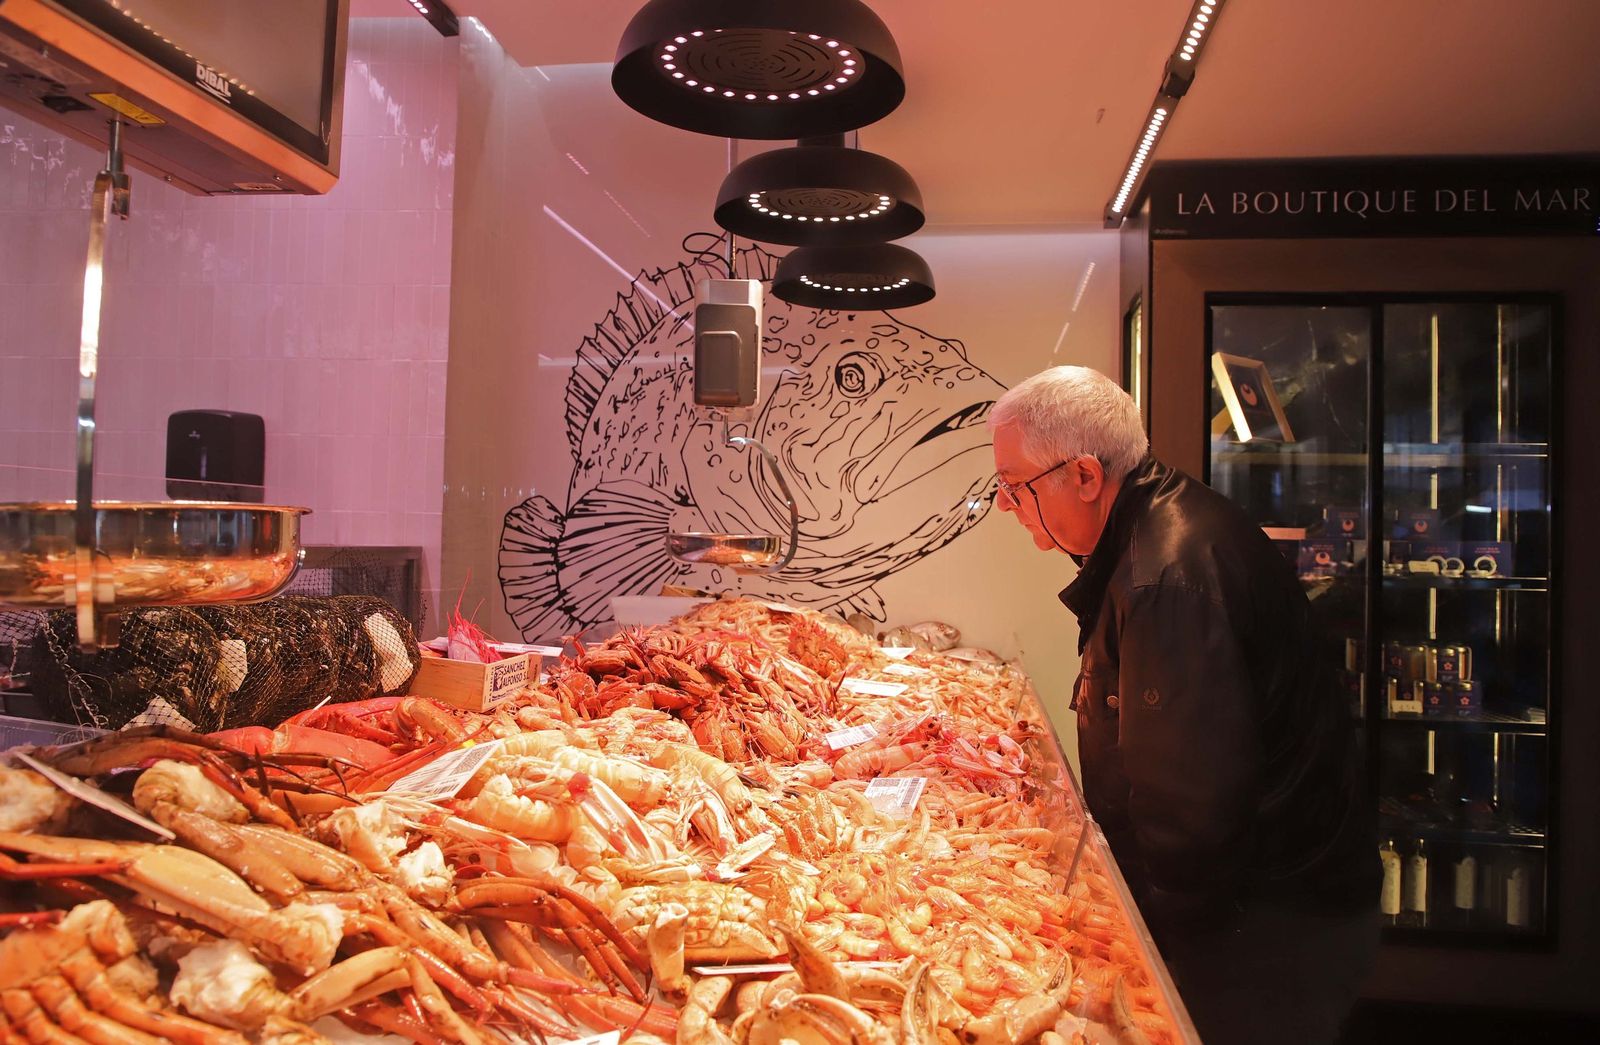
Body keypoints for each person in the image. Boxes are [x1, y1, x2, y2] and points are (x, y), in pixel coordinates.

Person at [989, 365, 1378, 1045]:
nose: (1003, 503)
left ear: (1084, 476)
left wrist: (1137, 959)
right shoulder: (1154, 532)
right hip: (1266, 909)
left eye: (1015, 484)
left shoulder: (1168, 577)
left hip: (1267, 929)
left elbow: (1190, 815)